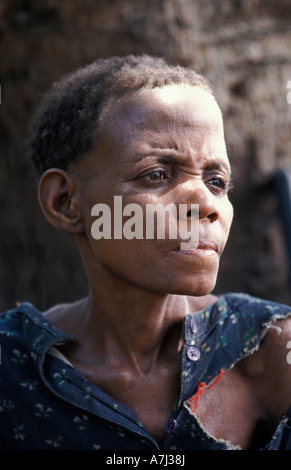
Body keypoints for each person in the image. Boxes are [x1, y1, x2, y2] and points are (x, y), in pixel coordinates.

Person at [1, 54, 291, 451]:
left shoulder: (269, 348)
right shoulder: (14, 369)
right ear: (66, 202)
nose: (205, 204)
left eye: (217, 181)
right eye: (156, 174)